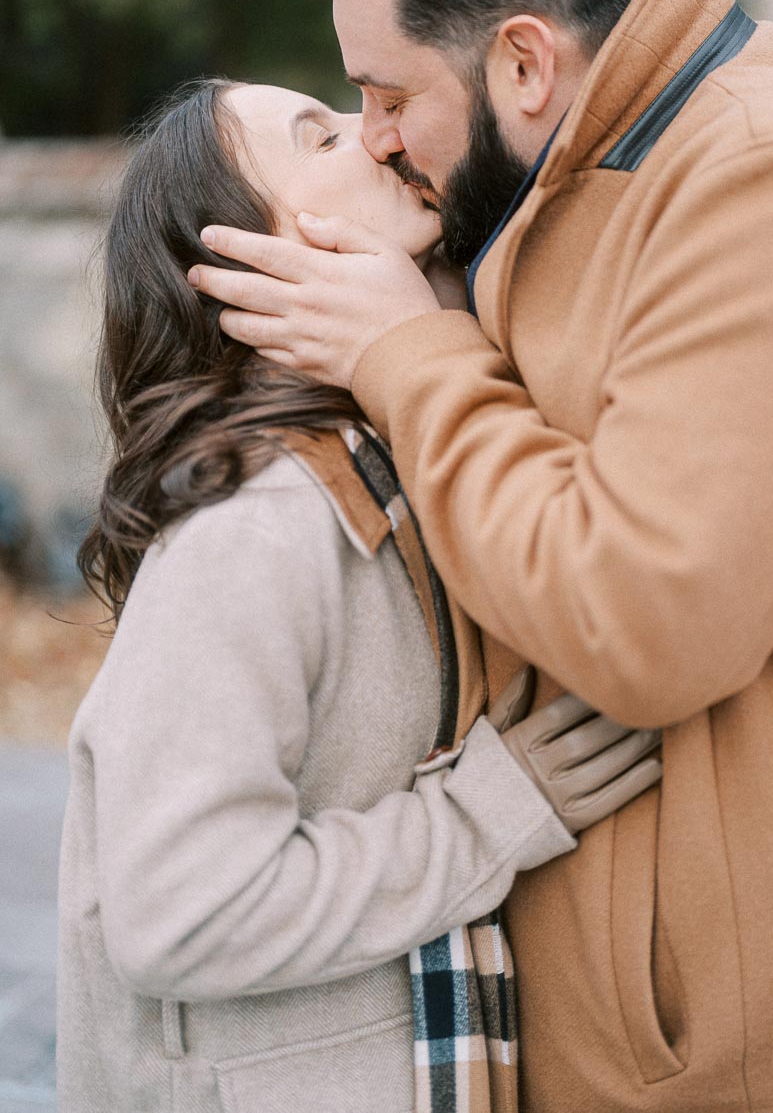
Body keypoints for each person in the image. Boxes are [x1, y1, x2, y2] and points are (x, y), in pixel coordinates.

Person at [190, 0, 773, 1113]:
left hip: (756, 1067)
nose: (377, 136)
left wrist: (408, 353)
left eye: (388, 95)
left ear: (523, 61)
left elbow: (646, 616)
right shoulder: (583, 183)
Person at [57, 77, 663, 1113]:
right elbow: (182, 914)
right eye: (319, 137)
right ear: (252, 259)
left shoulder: (381, 467)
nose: (375, 133)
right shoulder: (253, 529)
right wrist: (496, 812)